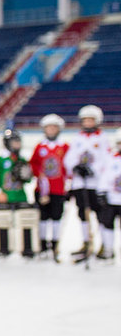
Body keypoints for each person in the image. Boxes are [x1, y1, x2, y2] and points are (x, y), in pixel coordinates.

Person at [65, 104, 110, 260]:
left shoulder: (102, 138)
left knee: (100, 214)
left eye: (91, 120)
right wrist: (75, 167)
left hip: (96, 184)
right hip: (80, 183)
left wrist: (93, 170)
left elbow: (106, 160)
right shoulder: (77, 138)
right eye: (86, 120)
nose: (88, 123)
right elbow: (69, 158)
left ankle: (104, 244)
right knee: (82, 214)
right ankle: (86, 242)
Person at [0, 128, 38, 257]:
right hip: (6, 197)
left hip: (21, 196)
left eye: (18, 142)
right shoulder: (1, 160)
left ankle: (27, 248)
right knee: (3, 222)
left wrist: (27, 175)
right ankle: (3, 248)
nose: (17, 145)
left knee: (26, 221)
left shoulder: (22, 159)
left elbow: (29, 179)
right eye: (14, 142)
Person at [30, 114, 70, 260]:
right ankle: (42, 244)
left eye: (54, 127)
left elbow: (68, 167)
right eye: (49, 127)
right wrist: (38, 174)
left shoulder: (64, 146)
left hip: (58, 190)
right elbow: (33, 164)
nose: (51, 130)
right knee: (43, 217)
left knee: (56, 217)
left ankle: (54, 244)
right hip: (42, 190)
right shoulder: (40, 147)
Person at [96, 128, 121, 261]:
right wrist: (102, 192)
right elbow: (104, 177)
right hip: (112, 199)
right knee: (107, 224)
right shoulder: (111, 159)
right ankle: (108, 249)